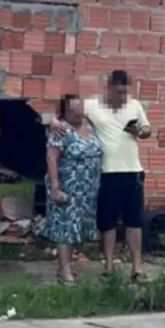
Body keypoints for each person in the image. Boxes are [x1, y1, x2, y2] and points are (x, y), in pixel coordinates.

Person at [51, 71, 152, 281]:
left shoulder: (134, 106)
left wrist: (141, 132)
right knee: (108, 222)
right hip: (105, 173)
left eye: (126, 92)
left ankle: (137, 268)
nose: (123, 97)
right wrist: (53, 120)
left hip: (132, 171)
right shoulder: (91, 106)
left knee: (134, 222)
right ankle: (108, 266)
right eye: (119, 92)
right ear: (109, 88)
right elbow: (61, 112)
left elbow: (147, 130)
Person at [37, 95, 103, 285]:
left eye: (80, 108)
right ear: (65, 113)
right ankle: (64, 271)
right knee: (65, 228)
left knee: (76, 229)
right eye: (73, 110)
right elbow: (51, 159)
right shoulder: (61, 130)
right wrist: (55, 188)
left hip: (87, 190)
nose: (79, 112)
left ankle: (65, 266)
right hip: (68, 187)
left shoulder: (91, 125)